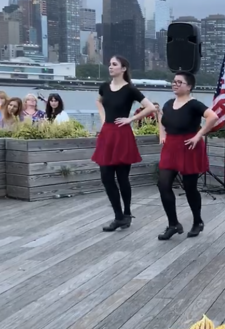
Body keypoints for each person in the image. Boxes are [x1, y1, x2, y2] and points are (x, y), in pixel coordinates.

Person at [92, 55, 157, 232]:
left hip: (122, 135)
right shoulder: (104, 87)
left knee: (122, 178)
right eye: (110, 64)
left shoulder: (130, 90)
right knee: (106, 176)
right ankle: (118, 216)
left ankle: (126, 214)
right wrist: (103, 118)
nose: (110, 67)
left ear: (123, 69)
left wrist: (131, 119)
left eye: (114, 64)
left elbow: (151, 107)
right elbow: (98, 101)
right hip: (108, 133)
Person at [156, 71, 218, 240]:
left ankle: (197, 222)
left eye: (179, 82)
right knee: (163, 184)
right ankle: (173, 224)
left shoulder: (194, 104)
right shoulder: (168, 104)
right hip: (170, 148)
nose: (175, 84)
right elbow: (161, 118)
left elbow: (213, 117)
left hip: (189, 147)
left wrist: (199, 135)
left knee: (190, 188)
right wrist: (162, 134)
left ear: (189, 86)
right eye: (174, 81)